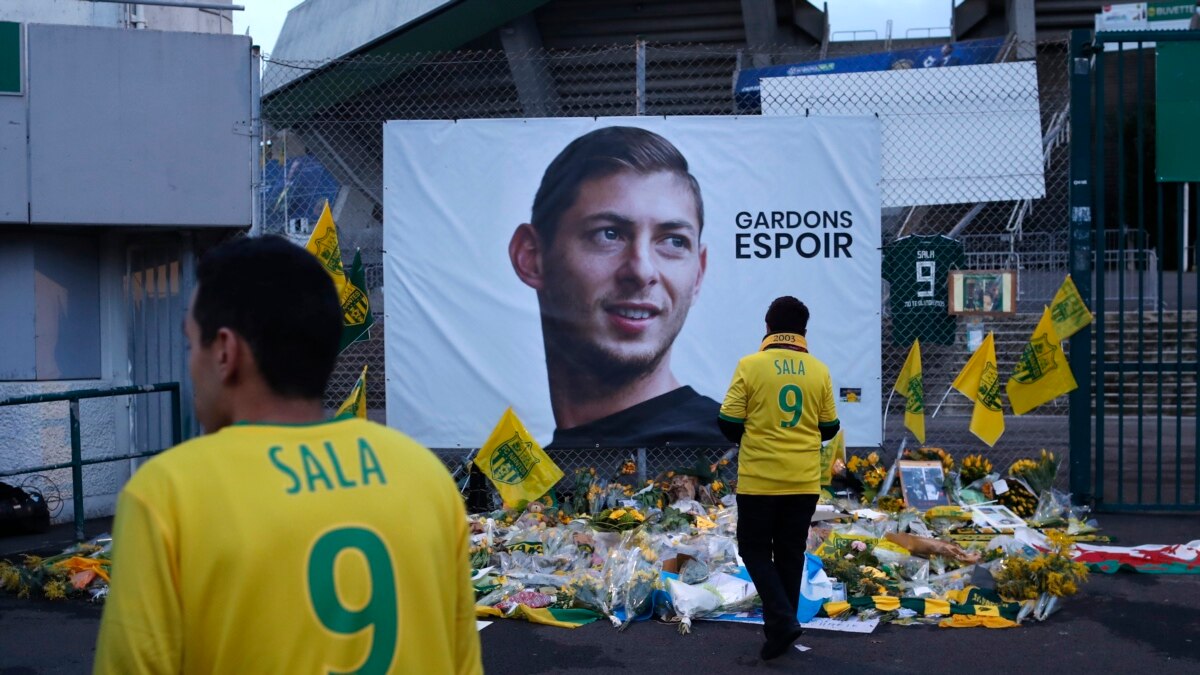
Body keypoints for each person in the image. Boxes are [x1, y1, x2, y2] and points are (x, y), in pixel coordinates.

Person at [94, 236, 481, 674]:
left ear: (225, 351)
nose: (191, 363)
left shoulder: (167, 494)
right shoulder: (423, 477)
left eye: (191, 344)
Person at [508, 126, 727, 449]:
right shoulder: (526, 474)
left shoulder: (733, 457)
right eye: (608, 234)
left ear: (698, 275)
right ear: (532, 257)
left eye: (673, 241)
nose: (641, 271)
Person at [717, 296, 840, 660]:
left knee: (753, 549)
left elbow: (728, 421)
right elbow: (830, 427)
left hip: (760, 479)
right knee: (790, 553)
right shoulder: (818, 370)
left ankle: (782, 622)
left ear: (767, 327)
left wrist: (754, 434)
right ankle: (778, 632)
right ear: (804, 331)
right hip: (802, 481)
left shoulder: (751, 366)